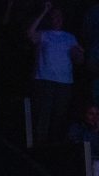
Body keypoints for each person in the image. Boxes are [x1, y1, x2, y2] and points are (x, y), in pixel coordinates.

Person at [28, 2, 85, 145]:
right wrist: (44, 11)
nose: (57, 19)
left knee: (59, 115)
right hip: (45, 79)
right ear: (50, 19)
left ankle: (54, 146)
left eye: (59, 16)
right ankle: (40, 145)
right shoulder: (45, 35)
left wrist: (79, 54)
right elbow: (30, 34)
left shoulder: (70, 37)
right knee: (43, 114)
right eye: (54, 17)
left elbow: (78, 60)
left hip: (64, 82)